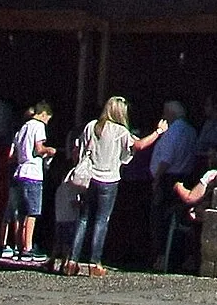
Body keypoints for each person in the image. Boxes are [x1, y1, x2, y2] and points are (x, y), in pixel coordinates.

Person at [64, 97, 158, 276]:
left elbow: (79, 150)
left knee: (83, 219)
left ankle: (72, 260)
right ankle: (95, 263)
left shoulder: (91, 126)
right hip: (108, 179)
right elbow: (139, 145)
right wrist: (158, 132)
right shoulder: (120, 131)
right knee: (101, 220)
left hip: (88, 179)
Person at [143, 103, 196, 270]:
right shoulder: (190, 130)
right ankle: (174, 257)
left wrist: (157, 180)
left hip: (168, 179)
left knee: (160, 219)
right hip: (185, 176)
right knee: (177, 220)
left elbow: (166, 159)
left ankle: (161, 257)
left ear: (169, 114)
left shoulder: (173, 132)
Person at [1, 104, 53, 267]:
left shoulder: (22, 128)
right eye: (48, 118)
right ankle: (28, 248)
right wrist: (49, 151)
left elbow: (14, 154)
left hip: (19, 171)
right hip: (33, 173)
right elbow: (38, 149)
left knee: (20, 213)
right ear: (43, 114)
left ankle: (18, 247)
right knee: (32, 213)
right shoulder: (39, 126)